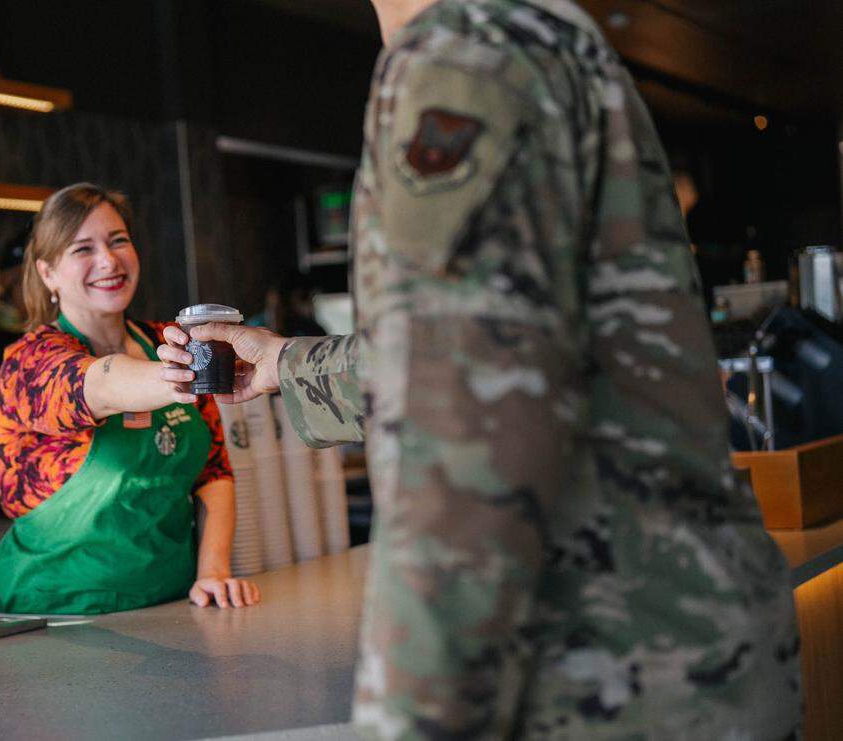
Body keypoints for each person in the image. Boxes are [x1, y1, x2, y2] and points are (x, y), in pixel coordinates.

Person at [161, 0, 799, 737]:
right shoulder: (539, 36)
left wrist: (415, 716)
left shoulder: (459, 59)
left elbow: (469, 427)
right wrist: (282, 363)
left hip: (603, 675)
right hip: (677, 651)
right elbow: (488, 350)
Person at [0, 183, 259, 615]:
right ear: (47, 273)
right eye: (82, 249)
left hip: (169, 603)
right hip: (53, 611)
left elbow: (214, 473)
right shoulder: (30, 361)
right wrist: (189, 373)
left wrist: (213, 572)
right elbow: (98, 385)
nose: (108, 261)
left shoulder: (166, 341)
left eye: (118, 241)